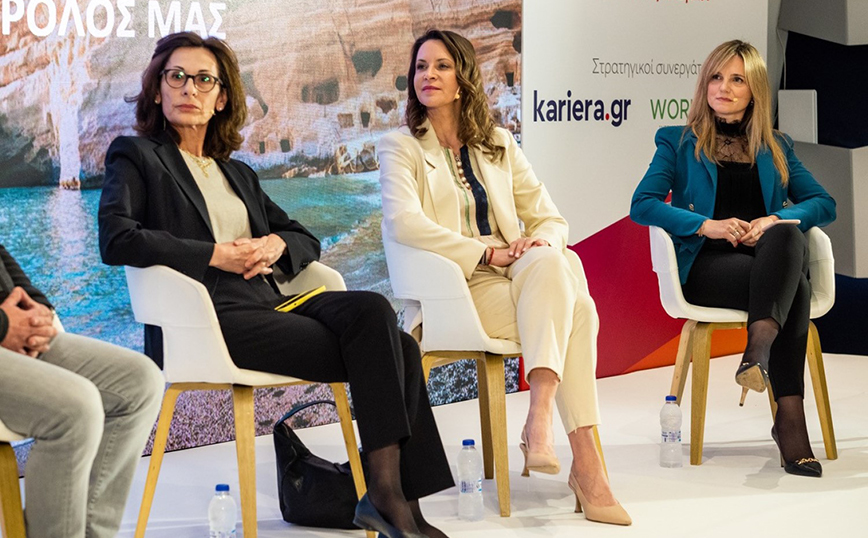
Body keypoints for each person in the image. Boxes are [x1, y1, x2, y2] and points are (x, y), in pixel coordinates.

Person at [97, 32, 451, 538]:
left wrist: (274, 245)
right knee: (396, 348)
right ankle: (393, 500)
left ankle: (391, 497)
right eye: (176, 77)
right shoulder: (136, 156)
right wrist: (214, 254)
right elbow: (116, 238)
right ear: (157, 89)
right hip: (209, 320)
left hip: (274, 303)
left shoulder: (237, 173)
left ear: (222, 98)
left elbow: (303, 238)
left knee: (377, 314)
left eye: (203, 79)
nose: (189, 88)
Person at [378, 29, 630, 525]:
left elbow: (551, 220)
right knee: (578, 311)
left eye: (442, 66)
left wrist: (537, 243)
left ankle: (539, 419)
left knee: (551, 258)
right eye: (421, 66)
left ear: (463, 79)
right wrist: (486, 253)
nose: (429, 75)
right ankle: (585, 464)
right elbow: (404, 223)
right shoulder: (400, 146)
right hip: (457, 288)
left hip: (520, 275)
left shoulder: (497, 143)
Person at [630, 40, 836, 477]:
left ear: (754, 90)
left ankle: (757, 352)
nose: (723, 87)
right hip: (707, 265)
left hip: (768, 262)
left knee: (785, 233)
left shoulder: (777, 146)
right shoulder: (677, 141)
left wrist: (773, 219)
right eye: (716, 77)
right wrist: (706, 225)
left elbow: (824, 203)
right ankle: (790, 421)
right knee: (795, 288)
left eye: (737, 79)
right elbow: (643, 204)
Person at [0, 243, 164, 538]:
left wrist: (39, 310)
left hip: (11, 325)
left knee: (140, 382)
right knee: (75, 408)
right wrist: (3, 326)